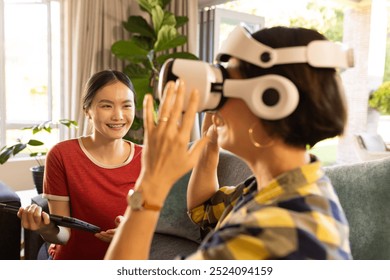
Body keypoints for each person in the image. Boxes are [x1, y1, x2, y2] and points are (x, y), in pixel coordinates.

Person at [105, 25, 353, 260]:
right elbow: (203, 207)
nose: (214, 104)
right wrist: (210, 144)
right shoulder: (284, 185)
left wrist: (151, 185)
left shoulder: (273, 234)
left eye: (223, 88)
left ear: (271, 100)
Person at [17, 70, 142, 260]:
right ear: (87, 110)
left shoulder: (147, 158)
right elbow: (64, 235)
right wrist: (45, 228)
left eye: (126, 106)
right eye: (106, 106)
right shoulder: (62, 155)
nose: (118, 116)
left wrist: (131, 233)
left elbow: (156, 229)